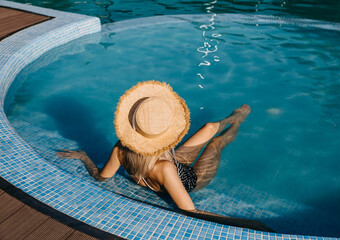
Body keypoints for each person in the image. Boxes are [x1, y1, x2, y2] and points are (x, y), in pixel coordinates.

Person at [57, 80, 273, 232]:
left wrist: (84, 156)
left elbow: (100, 177)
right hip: (188, 178)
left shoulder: (120, 149)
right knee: (217, 142)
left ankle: (229, 118)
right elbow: (191, 210)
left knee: (208, 127)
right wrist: (244, 223)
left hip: (166, 161)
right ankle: (237, 121)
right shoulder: (165, 168)